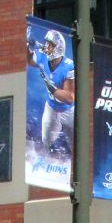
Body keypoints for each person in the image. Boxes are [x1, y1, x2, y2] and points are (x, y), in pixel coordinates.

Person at [28, 28, 75, 159]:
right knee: (46, 141)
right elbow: (29, 60)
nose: (47, 46)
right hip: (51, 107)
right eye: (47, 43)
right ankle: (52, 162)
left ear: (59, 47)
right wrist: (29, 48)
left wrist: (52, 89)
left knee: (75, 143)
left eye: (50, 44)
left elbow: (70, 98)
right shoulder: (43, 57)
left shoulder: (68, 66)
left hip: (68, 111)